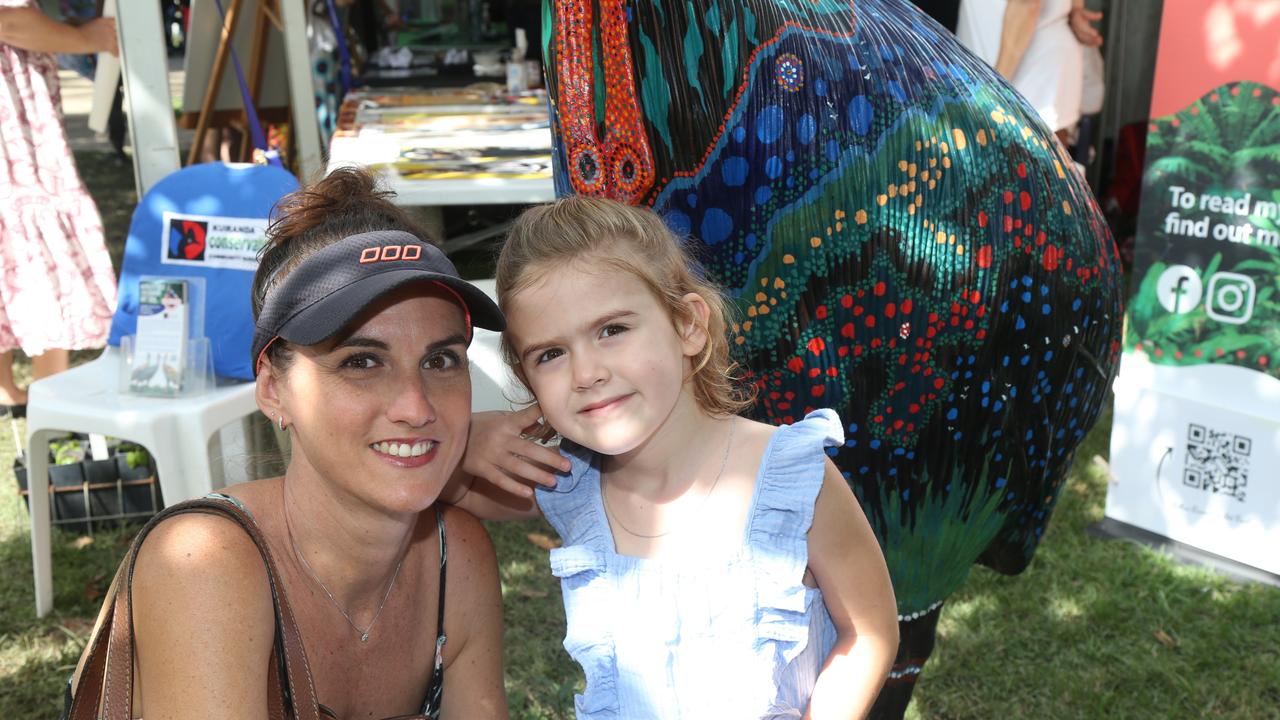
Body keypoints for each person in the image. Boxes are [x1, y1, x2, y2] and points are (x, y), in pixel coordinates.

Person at [68, 169, 510, 718]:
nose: (416, 407)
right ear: (274, 390)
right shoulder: (204, 562)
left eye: (440, 360)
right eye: (362, 362)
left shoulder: (456, 558)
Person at [449, 196, 899, 718]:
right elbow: (433, 483)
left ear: (688, 325)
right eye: (550, 354)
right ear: (528, 381)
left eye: (612, 330)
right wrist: (468, 439)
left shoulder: (791, 479)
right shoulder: (565, 483)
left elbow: (868, 630)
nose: (586, 372)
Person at [0, 1, 118, 417]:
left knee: (15, 237)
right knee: (34, 239)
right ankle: (49, 395)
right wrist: (89, 38)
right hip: (14, 120)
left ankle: (12, 392)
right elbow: (8, 20)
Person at [956, 0, 1104, 143]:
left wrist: (992, 91)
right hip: (1038, 80)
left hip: (1025, 87)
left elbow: (1027, 3)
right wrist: (1074, 9)